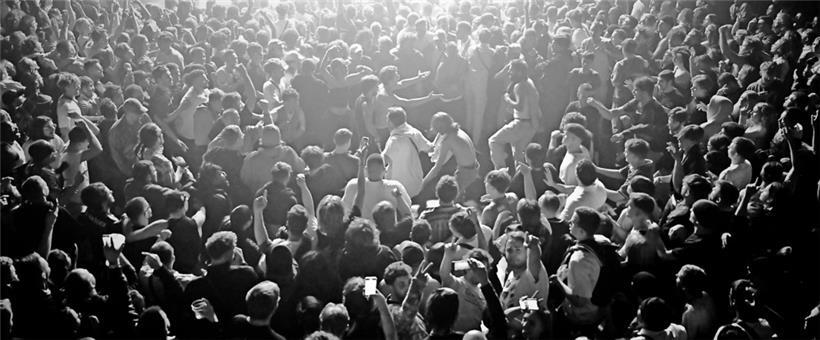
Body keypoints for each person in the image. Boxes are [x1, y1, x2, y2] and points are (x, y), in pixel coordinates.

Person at [489, 59, 540, 170]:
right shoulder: (529, 82)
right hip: (530, 124)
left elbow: (519, 106)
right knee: (518, 155)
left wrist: (507, 99)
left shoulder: (519, 86)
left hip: (520, 123)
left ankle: (500, 170)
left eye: (511, 70)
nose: (509, 73)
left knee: (494, 141)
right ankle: (521, 177)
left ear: (519, 72)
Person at [422, 112, 479, 199]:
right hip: (473, 168)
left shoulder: (448, 140)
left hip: (466, 173)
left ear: (440, 129)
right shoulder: (458, 131)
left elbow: (437, 167)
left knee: (449, 198)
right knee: (457, 193)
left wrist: (423, 183)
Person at [341, 153, 411, 220]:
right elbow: (407, 211)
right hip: (387, 228)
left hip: (360, 227)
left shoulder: (353, 185)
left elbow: (344, 209)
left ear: (366, 169)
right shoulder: (395, 187)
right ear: (384, 170)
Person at [382, 107, 433, 198]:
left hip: (397, 188)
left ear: (391, 123)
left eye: (387, 119)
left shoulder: (393, 141)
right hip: (416, 185)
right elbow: (430, 148)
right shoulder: (414, 133)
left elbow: (382, 161)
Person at [241, 125, 305, 195]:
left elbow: (244, 181)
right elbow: (301, 168)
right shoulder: (289, 153)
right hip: (287, 197)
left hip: (259, 198)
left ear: (262, 139)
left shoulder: (251, 159)